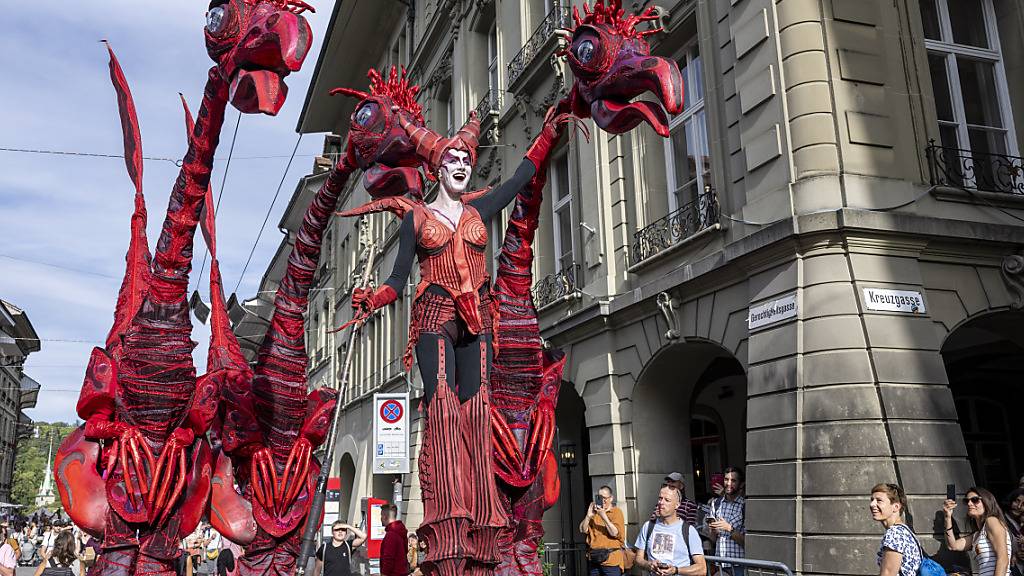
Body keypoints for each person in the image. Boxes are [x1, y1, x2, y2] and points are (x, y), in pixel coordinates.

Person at [347, 92, 574, 575]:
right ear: (435, 168)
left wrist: (549, 132)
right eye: (451, 158)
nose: (460, 164)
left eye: (466, 159)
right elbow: (397, 279)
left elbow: (519, 180)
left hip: (477, 321)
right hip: (434, 315)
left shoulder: (478, 209)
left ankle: (483, 520)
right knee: (444, 408)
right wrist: (374, 299)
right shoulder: (417, 218)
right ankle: (448, 524)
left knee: (477, 411)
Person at [634, 485, 705, 576]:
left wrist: (676, 570)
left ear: (677, 505)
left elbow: (702, 569)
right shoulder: (648, 526)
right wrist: (649, 565)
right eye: (660, 498)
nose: (661, 502)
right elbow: (638, 559)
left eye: (667, 500)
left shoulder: (689, 531)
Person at [943, 487, 1012, 576]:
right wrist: (947, 517)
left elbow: (1003, 558)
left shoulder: (991, 521)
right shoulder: (977, 535)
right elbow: (952, 546)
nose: (969, 503)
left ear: (987, 502)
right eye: (966, 501)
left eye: (975, 500)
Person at [869, 483, 921, 576]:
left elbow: (888, 574)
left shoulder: (895, 534)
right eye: (872, 500)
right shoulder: (904, 531)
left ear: (896, 507)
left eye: (879, 500)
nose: (872, 504)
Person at [580, 485, 626, 576]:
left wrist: (603, 516)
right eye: (600, 498)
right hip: (595, 559)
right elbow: (582, 529)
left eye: (605, 498)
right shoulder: (594, 514)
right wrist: (588, 516)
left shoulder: (616, 512)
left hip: (611, 561)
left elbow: (614, 533)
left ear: (611, 498)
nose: (603, 501)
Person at [708, 467, 745, 576]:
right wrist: (713, 530)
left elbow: (748, 543)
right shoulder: (716, 503)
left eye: (733, 481)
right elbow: (713, 540)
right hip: (721, 564)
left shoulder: (745, 506)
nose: (728, 483)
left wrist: (729, 528)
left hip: (740, 565)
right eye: (726, 479)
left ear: (741, 484)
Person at [378, 505, 408, 576]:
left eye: (381, 516)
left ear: (385, 517)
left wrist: (384, 574)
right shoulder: (400, 531)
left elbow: (388, 559)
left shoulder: (391, 535)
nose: (381, 518)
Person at [1005, 489, 1023, 576]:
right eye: (1017, 501)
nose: (1019, 506)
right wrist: (1013, 554)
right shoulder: (1001, 521)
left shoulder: (1021, 524)